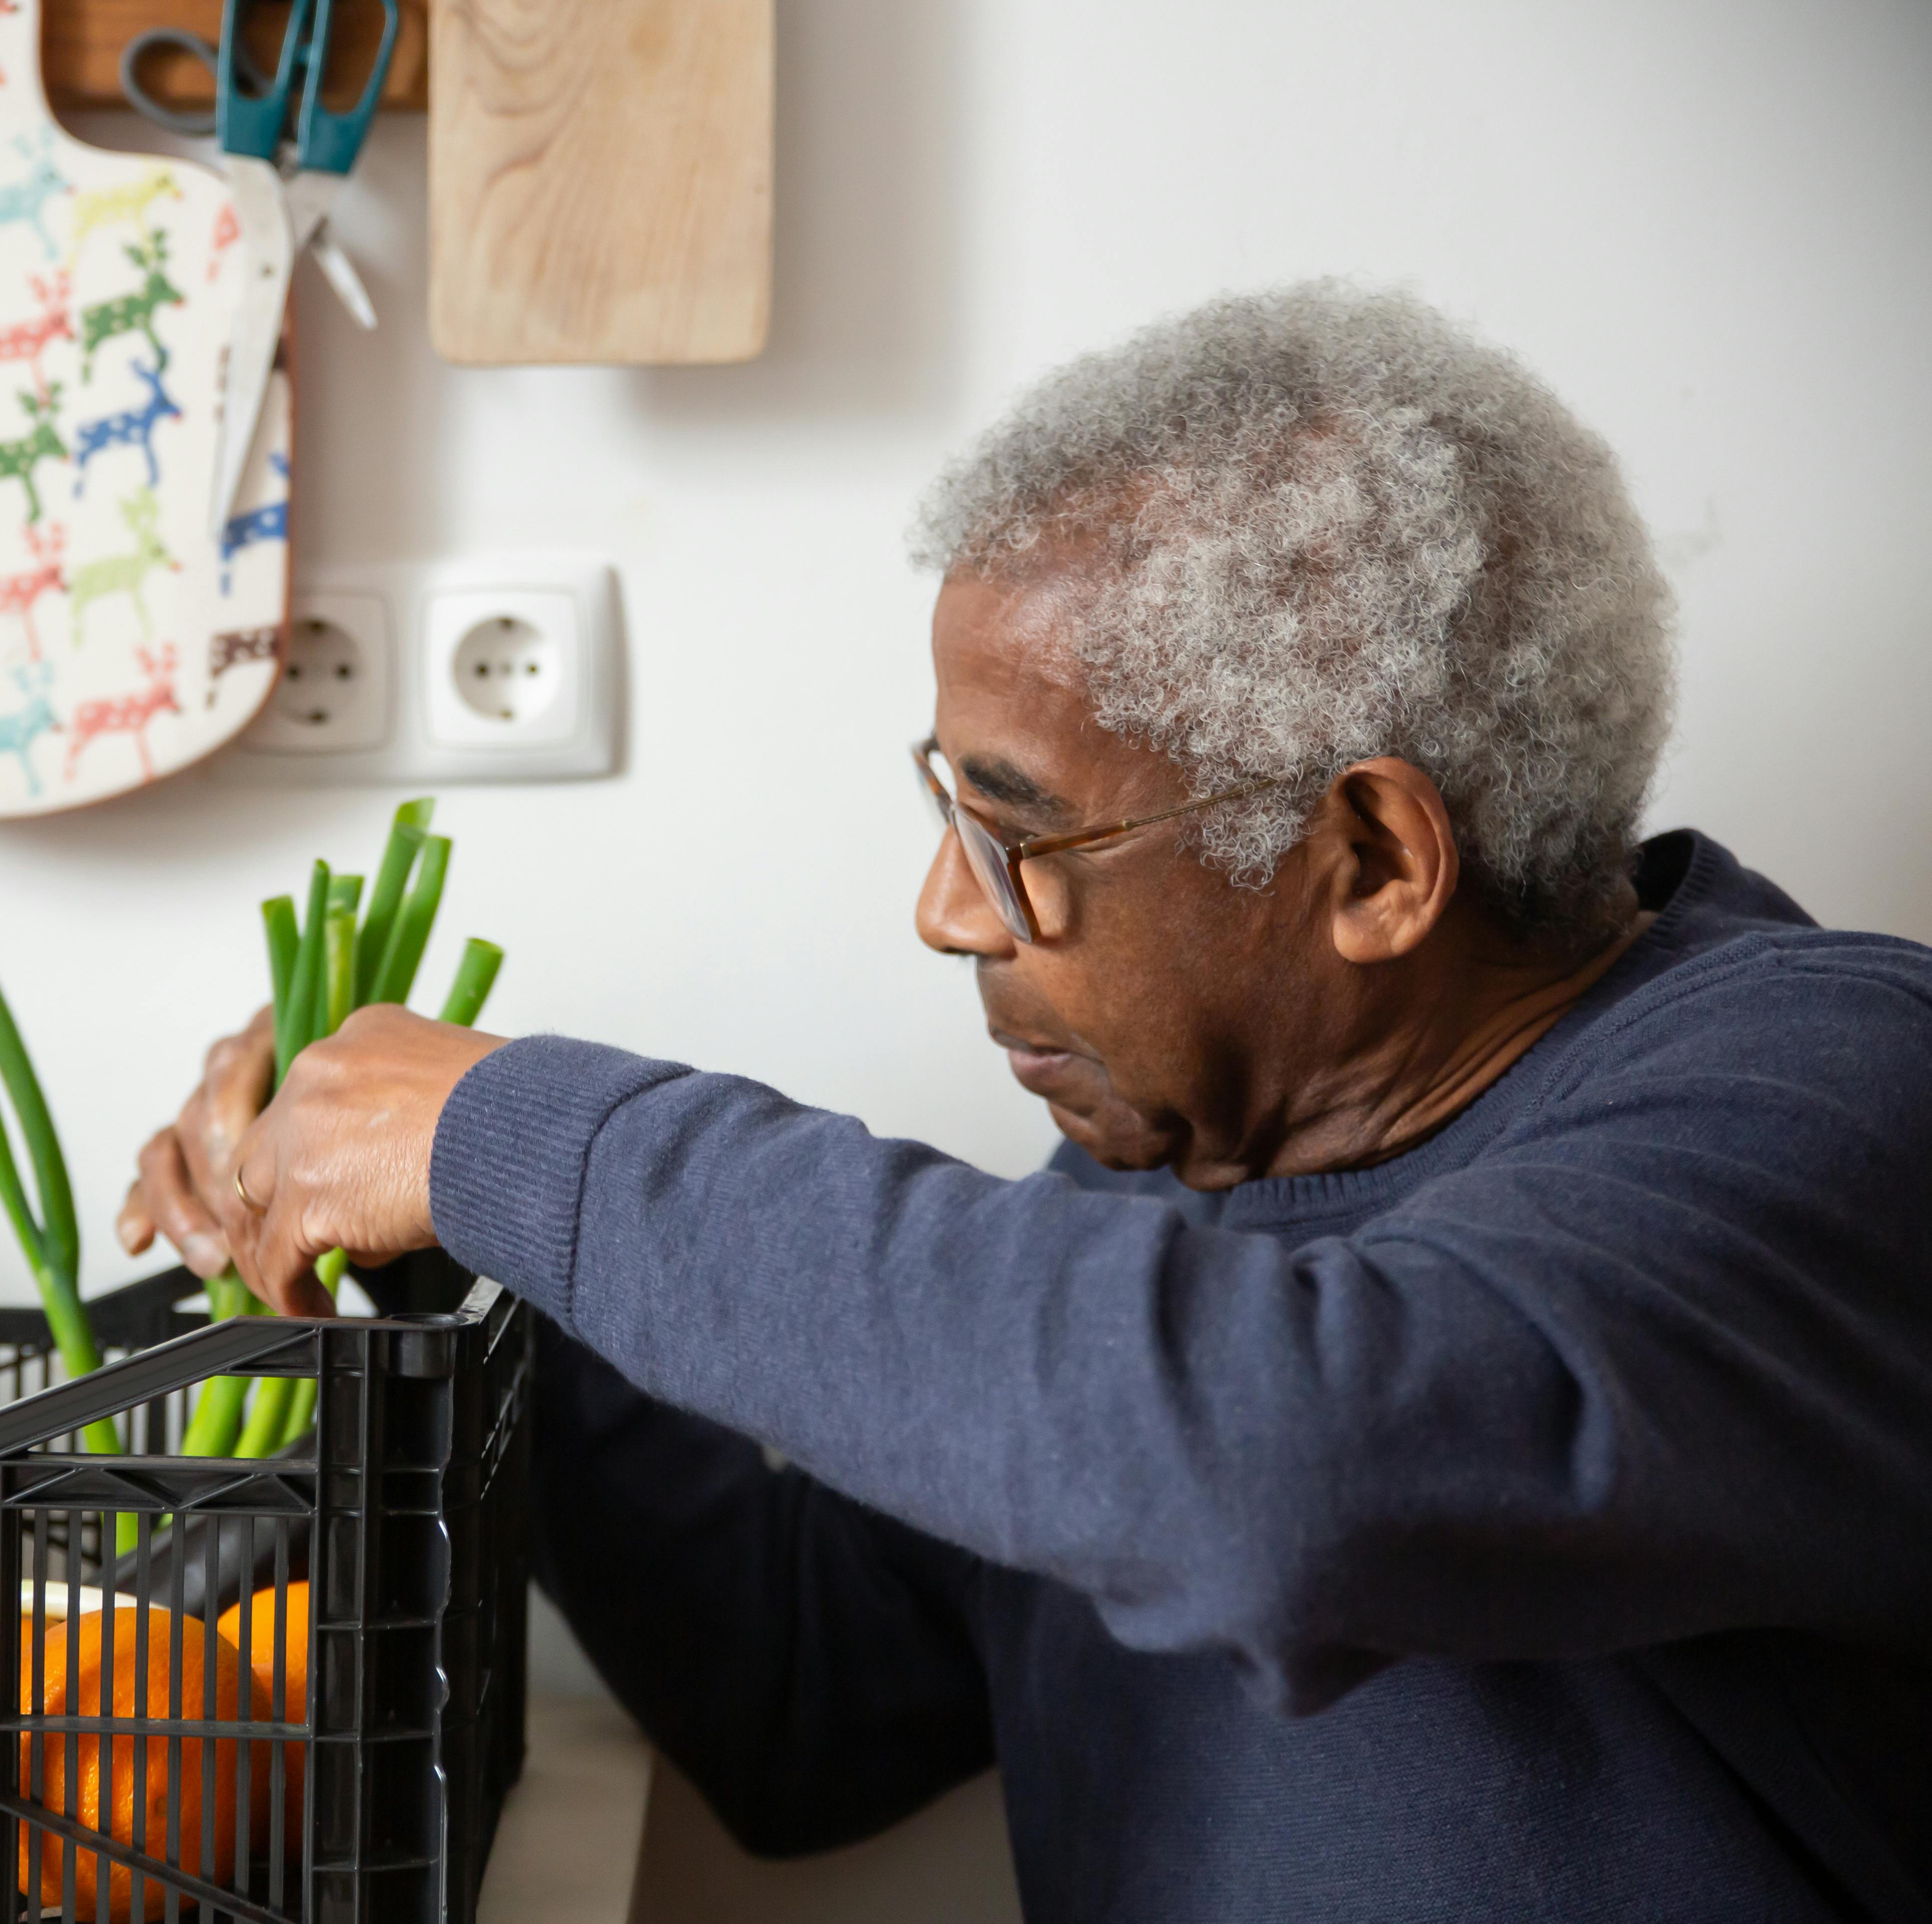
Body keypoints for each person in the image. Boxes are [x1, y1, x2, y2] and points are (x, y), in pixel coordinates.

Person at [117, 284, 1932, 1922]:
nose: (946, 910)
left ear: (1372, 858)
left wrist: (519, 1136)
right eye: (943, 808)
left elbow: (1283, 1466)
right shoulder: (1144, 1194)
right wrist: (441, 1229)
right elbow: (806, 1702)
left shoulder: (1833, 1092)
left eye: (1018, 829)